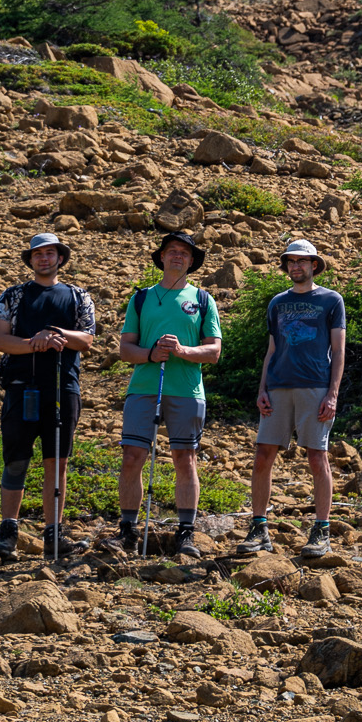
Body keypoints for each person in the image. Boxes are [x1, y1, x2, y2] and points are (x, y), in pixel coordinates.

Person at [0, 232, 96, 562]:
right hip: (21, 386)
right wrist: (36, 342)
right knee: (16, 460)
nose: (44, 259)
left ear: (60, 258)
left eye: (50, 254)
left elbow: (87, 340)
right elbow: (0, 340)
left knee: (57, 462)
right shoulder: (14, 295)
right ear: (31, 260)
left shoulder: (79, 296)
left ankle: (53, 534)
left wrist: (56, 335)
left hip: (63, 388)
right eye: (38, 255)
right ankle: (8, 534)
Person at [115, 230, 222, 561]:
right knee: (133, 456)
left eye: (185, 253)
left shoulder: (203, 300)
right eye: (172, 250)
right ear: (161, 257)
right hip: (144, 388)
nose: (178, 256)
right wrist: (150, 354)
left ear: (191, 261)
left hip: (187, 390)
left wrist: (182, 350)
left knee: (184, 458)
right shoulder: (142, 298)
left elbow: (214, 350)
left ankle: (186, 531)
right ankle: (128, 530)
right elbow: (125, 349)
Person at [237, 238, 345, 562]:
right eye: (291, 261)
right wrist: (261, 389)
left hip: (315, 387)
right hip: (278, 387)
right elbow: (271, 350)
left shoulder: (331, 300)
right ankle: (259, 529)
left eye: (302, 261)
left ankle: (321, 531)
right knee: (262, 455)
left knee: (317, 457)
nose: (296, 266)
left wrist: (333, 393)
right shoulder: (277, 303)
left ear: (314, 265)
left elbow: (339, 350)